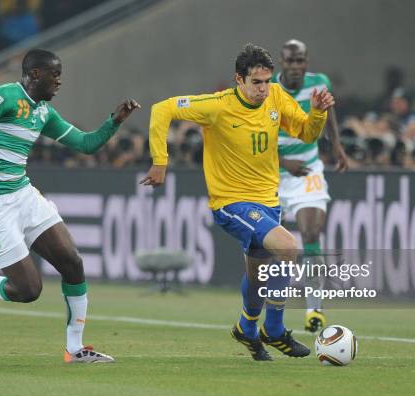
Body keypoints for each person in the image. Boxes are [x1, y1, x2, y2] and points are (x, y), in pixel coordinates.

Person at [0, 49, 140, 363]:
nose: (59, 81)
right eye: (54, 74)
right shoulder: (4, 97)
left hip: (22, 195)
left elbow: (86, 145)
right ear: (34, 74)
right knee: (28, 290)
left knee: (72, 262)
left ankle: (75, 349)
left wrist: (113, 122)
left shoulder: (44, 112)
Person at [141, 43, 334, 361]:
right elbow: (162, 109)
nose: (263, 88)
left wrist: (317, 113)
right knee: (288, 248)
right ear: (239, 80)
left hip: (268, 201)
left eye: (267, 81)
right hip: (231, 203)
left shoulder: (276, 96)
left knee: (259, 276)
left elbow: (307, 134)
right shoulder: (216, 105)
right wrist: (160, 161)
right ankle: (273, 331)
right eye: (256, 82)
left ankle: (246, 328)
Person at [273, 39, 348, 332]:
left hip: (308, 169)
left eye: (300, 61)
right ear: (282, 63)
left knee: (311, 232)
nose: (295, 66)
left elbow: (328, 113)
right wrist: (282, 161)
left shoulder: (319, 83)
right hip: (273, 173)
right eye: (290, 61)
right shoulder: (270, 91)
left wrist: (337, 145)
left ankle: (314, 308)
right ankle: (269, 314)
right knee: (271, 247)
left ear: (306, 62)